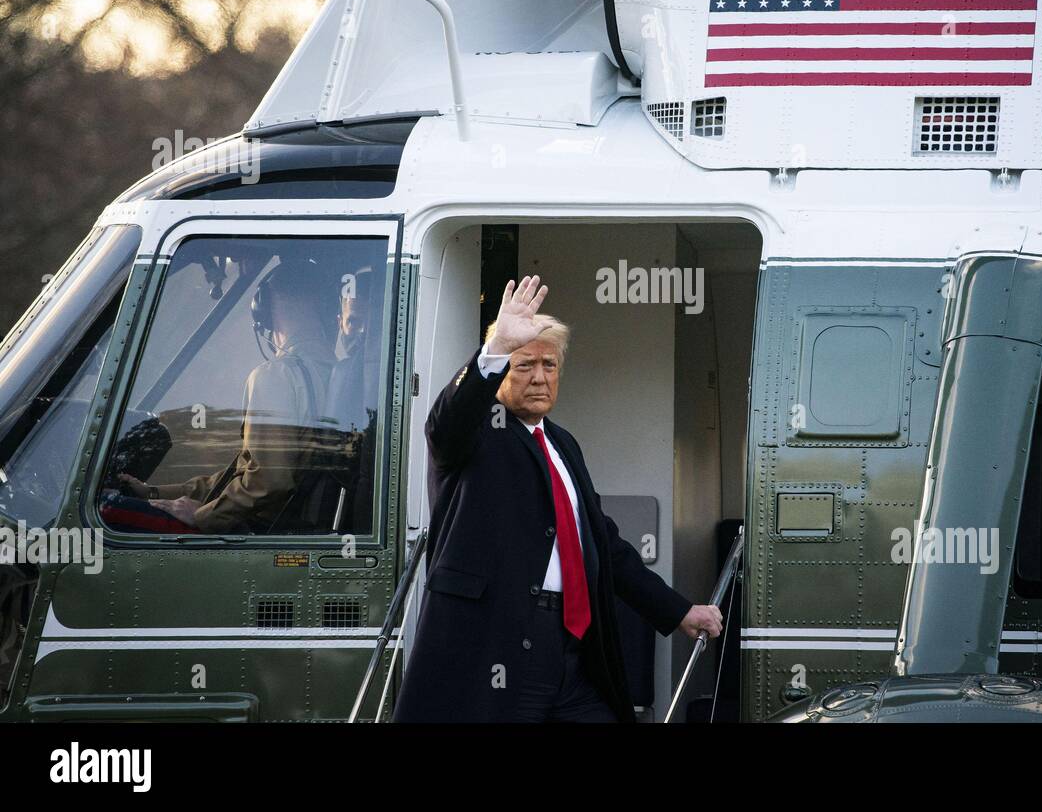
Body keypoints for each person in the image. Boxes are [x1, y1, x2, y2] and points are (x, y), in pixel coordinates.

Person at [394, 275, 723, 722]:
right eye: (524, 364)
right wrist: (495, 350)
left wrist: (679, 611)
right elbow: (447, 421)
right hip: (499, 646)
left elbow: (604, 546)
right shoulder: (476, 433)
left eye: (549, 366)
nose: (539, 378)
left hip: (572, 649)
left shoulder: (563, 444)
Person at [108, 259, 338, 534]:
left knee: (108, 512)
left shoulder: (275, 376)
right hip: (293, 528)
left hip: (259, 532)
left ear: (266, 306)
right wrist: (153, 493)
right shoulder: (334, 371)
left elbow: (268, 480)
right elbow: (244, 471)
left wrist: (204, 517)